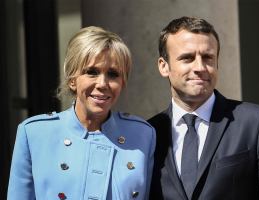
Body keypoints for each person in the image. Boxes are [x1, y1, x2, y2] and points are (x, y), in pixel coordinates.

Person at [148, 16, 259, 200]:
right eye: (187, 58)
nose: (200, 67)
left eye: (208, 57)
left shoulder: (254, 123)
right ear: (164, 66)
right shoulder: (149, 133)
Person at [8, 26, 155, 200]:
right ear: (72, 80)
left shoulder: (143, 135)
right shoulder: (34, 133)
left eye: (113, 74)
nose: (102, 83)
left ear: (122, 83)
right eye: (91, 72)